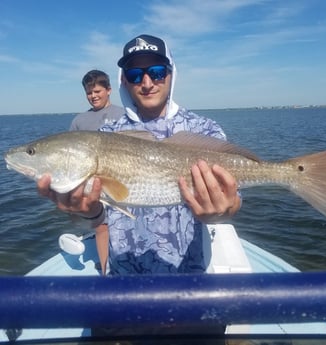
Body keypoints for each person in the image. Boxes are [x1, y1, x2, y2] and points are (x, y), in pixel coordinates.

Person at [37, 34, 242, 334]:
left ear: (172, 73)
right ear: (124, 81)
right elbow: (102, 217)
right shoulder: (107, 135)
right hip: (124, 290)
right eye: (135, 74)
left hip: (189, 288)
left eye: (157, 72)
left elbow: (232, 200)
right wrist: (88, 212)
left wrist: (223, 212)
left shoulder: (205, 130)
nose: (147, 82)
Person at [70, 70, 124, 275]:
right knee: (102, 226)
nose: (94, 96)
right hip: (92, 183)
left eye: (98, 91)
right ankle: (105, 271)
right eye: (89, 92)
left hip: (123, 179)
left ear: (109, 90)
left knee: (125, 224)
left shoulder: (124, 114)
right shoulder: (79, 121)